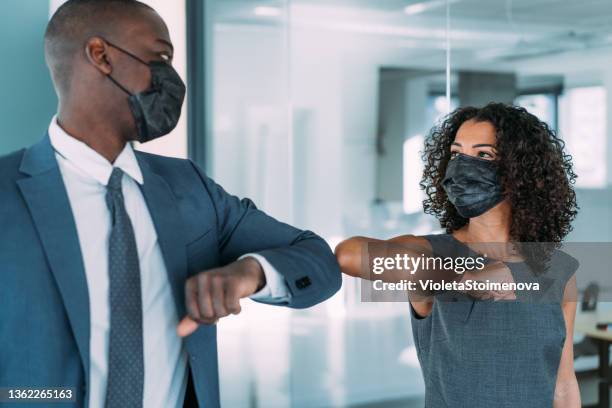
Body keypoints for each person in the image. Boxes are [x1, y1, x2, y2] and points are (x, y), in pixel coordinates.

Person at [0, 1, 341, 407]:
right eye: (160, 57)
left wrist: (250, 272)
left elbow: (317, 259)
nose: (173, 79)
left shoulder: (189, 187)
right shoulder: (7, 192)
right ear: (100, 55)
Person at [336, 103, 580, 407]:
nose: (463, 167)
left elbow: (563, 383)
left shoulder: (558, 270)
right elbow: (350, 255)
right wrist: (465, 279)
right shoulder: (433, 252)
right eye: (456, 154)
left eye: (483, 155)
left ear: (522, 172)